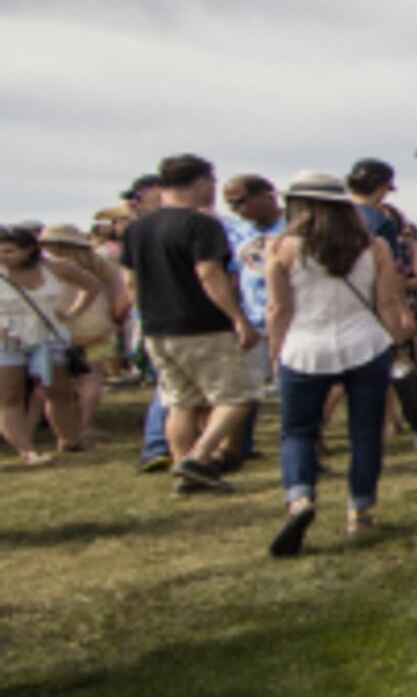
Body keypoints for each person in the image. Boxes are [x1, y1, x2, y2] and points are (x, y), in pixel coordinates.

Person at [261, 174, 410, 554]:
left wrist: (274, 353)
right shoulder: (372, 245)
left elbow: (278, 308)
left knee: (297, 431)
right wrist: (399, 343)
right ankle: (359, 510)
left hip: (304, 344)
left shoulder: (281, 248)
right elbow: (389, 302)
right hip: (365, 342)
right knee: (365, 430)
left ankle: (300, 498)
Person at [124, 154, 264, 494]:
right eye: (212, 183)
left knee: (181, 402)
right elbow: (209, 274)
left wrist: (143, 316)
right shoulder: (201, 225)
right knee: (237, 397)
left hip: (158, 326)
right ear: (199, 181)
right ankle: (199, 458)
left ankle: (184, 470)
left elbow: (130, 281)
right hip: (202, 324)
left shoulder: (137, 228)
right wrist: (237, 318)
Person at [345, 159, 417, 458]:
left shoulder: (335, 216)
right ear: (381, 188)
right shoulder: (380, 222)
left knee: (342, 382)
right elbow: (388, 274)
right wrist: (401, 314)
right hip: (377, 305)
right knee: (405, 370)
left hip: (341, 307)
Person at [0, 226, 101, 466]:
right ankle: (26, 451)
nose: (3, 256)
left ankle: (70, 440)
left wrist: (73, 312)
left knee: (59, 392)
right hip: (7, 340)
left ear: (29, 250)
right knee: (10, 397)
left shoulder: (55, 267)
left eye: (9, 251)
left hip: (49, 336)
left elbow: (92, 285)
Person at [219, 173, 286, 469]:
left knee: (291, 385)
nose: (235, 208)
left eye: (240, 201)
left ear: (267, 195)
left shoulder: (293, 227)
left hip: (289, 317)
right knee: (243, 386)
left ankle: (303, 442)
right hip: (252, 318)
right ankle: (236, 447)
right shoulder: (236, 231)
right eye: (230, 203)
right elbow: (231, 274)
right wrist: (236, 316)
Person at [36, 224, 123, 451]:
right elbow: (118, 294)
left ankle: (67, 427)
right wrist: (116, 317)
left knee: (57, 383)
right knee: (91, 378)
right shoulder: (101, 264)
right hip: (97, 324)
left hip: (57, 324)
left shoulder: (45, 268)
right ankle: (85, 425)